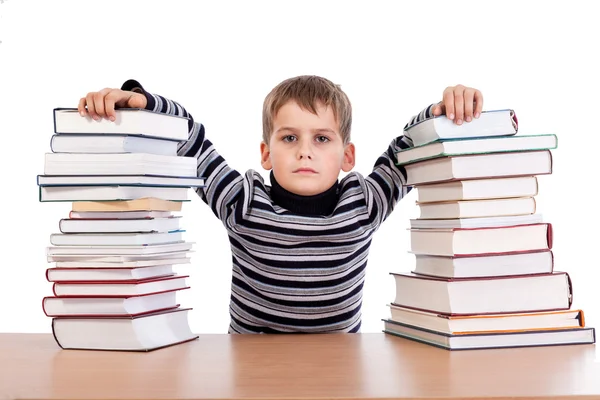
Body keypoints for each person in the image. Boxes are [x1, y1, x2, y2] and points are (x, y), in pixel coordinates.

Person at [79, 76, 483, 334]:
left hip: (338, 365)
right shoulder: (242, 201)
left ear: (347, 156)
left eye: (321, 139)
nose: (305, 152)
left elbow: (409, 150)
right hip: (253, 362)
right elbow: (190, 141)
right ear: (266, 153)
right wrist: (140, 99)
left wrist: (443, 111)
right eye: (289, 138)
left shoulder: (364, 204)